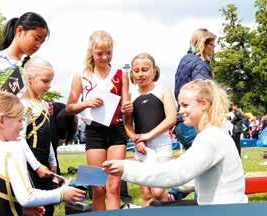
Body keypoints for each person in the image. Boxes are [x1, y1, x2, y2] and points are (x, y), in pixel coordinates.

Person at [103, 80, 248, 206]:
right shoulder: (214, 133)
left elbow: (177, 173)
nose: (180, 111)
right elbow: (193, 176)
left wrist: (126, 168)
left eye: (185, 105)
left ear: (204, 104)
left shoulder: (210, 138)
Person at [0, 91, 85, 215]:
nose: (22, 127)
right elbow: (27, 196)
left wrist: (21, 209)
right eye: (20, 120)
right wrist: (61, 194)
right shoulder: (11, 149)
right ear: (1, 120)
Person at [0, 11, 52, 179]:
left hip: (20, 140)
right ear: (20, 31)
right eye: (36, 38)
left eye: (42, 41)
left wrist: (40, 106)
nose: (38, 45)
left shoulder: (29, 66)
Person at [66, 30, 132, 211]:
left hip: (116, 131)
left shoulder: (121, 74)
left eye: (108, 52)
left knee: (113, 187)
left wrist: (128, 107)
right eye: (99, 53)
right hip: (94, 132)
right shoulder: (82, 76)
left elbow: (126, 104)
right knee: (97, 187)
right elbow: (69, 107)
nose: (104, 57)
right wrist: (86, 103)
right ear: (91, 53)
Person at [170, 27, 216, 202]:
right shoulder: (200, 65)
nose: (214, 48)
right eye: (212, 44)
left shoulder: (185, 60)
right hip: (193, 121)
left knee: (195, 162)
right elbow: (202, 94)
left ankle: (175, 194)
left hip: (181, 120)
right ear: (204, 44)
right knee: (206, 165)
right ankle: (194, 200)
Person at [125, 53, 176, 206]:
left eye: (145, 69)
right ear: (132, 73)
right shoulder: (130, 95)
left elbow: (171, 118)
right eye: (136, 70)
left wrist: (148, 135)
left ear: (154, 71)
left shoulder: (163, 90)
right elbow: (127, 124)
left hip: (161, 144)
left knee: (158, 192)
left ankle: (170, 204)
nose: (140, 74)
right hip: (141, 147)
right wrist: (135, 138)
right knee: (147, 194)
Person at [19, 56, 59, 215]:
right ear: (29, 79)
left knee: (49, 205)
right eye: (45, 81)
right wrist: (36, 166)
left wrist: (52, 160)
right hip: (29, 163)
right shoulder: (22, 104)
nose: (48, 86)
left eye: (50, 82)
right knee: (35, 207)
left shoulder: (43, 104)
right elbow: (20, 139)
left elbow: (47, 136)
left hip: (44, 162)